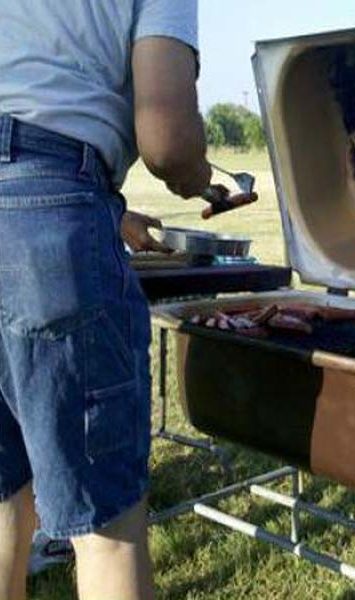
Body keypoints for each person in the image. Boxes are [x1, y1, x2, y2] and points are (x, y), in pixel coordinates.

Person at [0, 2, 216, 599]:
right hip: (50, 209)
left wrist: (104, 208)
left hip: (40, 191)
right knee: (106, 527)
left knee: (2, 490)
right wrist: (197, 176)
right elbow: (168, 140)